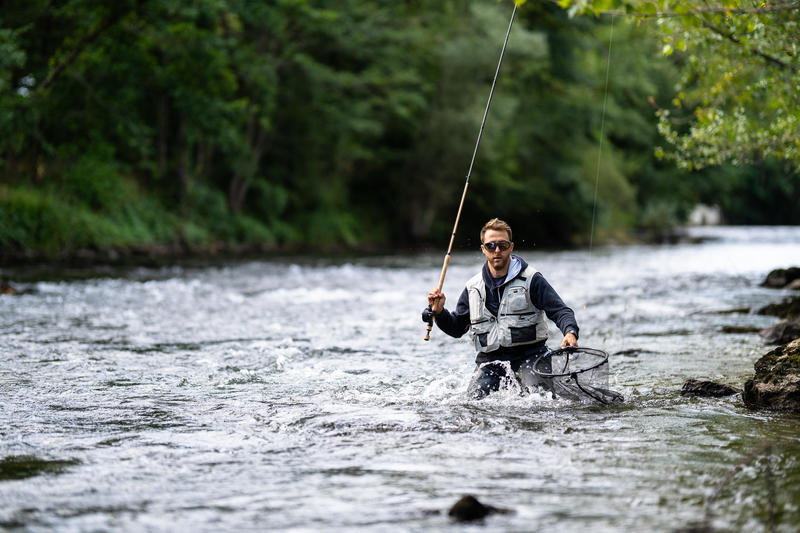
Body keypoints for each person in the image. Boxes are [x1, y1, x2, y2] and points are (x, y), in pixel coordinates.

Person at [427, 218, 579, 399]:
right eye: (491, 246)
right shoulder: (472, 287)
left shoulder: (532, 279)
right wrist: (439, 312)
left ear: (511, 247)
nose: (497, 250)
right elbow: (456, 328)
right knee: (473, 402)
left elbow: (560, 311)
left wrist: (570, 332)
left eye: (502, 245)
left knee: (540, 399)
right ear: (483, 249)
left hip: (532, 356)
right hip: (490, 362)